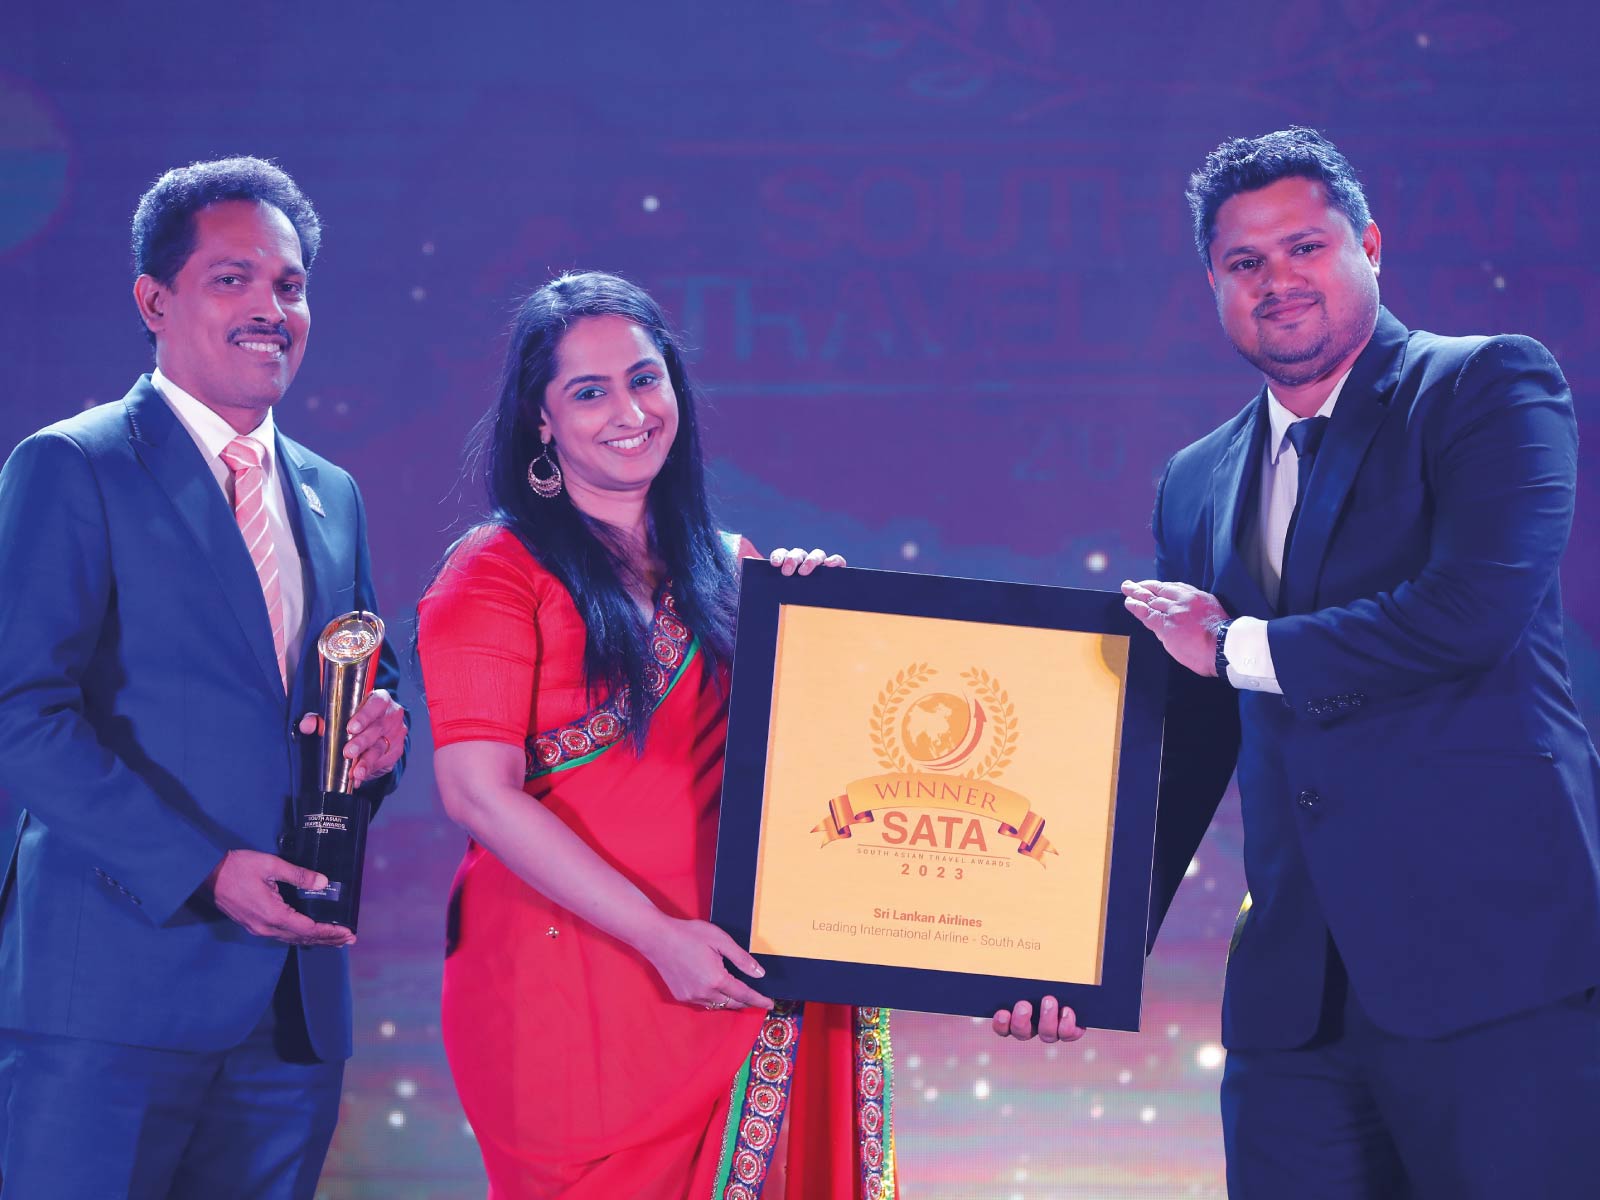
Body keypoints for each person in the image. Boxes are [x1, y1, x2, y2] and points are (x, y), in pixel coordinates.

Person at [1104, 127, 1600, 1196]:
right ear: (1213, 287)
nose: (1276, 281)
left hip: (1496, 972)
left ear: (1368, 246)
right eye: (1244, 262)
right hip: (1293, 1002)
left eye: (1305, 247)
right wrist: (1082, 950)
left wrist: (1233, 643)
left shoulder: (1485, 387)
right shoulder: (1195, 478)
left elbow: (1465, 614)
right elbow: (1192, 739)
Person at [417, 271, 896, 1199]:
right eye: (589, 392)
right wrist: (657, 936)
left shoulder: (730, 568)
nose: (629, 412)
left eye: (644, 379)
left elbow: (818, 772)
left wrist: (819, 623)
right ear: (542, 420)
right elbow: (477, 793)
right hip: (573, 989)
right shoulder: (496, 571)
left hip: (730, 972)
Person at [0, 157, 407, 1198]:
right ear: (154, 300)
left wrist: (383, 735)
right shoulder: (74, 464)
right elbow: (19, 713)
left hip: (292, 1011)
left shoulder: (332, 493)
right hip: (112, 1002)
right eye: (234, 279)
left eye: (290, 285)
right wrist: (202, 869)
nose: (272, 308)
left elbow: (360, 672)